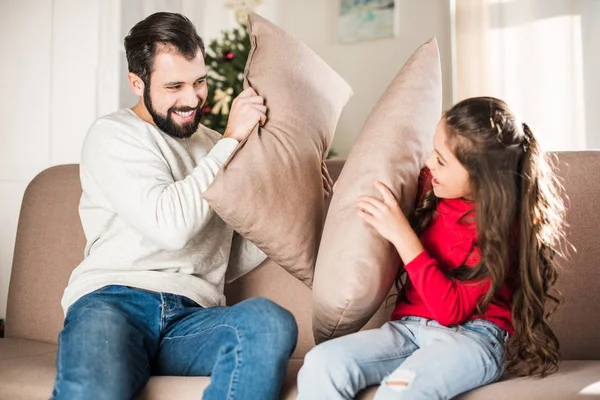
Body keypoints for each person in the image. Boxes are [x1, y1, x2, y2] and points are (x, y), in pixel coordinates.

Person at [52, 12, 332, 400]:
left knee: (268, 323)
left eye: (199, 82)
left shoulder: (215, 144)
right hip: (113, 304)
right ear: (137, 83)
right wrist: (231, 140)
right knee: (94, 390)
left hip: (192, 318)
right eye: (174, 86)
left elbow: (223, 254)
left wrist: (302, 195)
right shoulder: (113, 135)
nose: (192, 99)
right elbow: (172, 227)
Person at [297, 96, 567, 400]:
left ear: (484, 177)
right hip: (407, 331)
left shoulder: (503, 231)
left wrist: (402, 235)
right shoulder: (436, 187)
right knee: (322, 363)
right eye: (433, 151)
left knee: (399, 392)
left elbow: (450, 311)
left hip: (471, 339)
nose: (428, 163)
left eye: (441, 159)